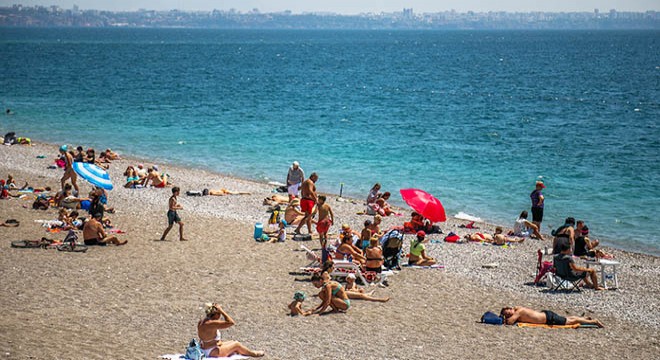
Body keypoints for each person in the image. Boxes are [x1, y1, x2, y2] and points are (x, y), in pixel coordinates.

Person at [198, 303, 264, 358]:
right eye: (219, 314)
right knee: (236, 345)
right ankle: (253, 354)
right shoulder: (212, 323)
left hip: (204, 349)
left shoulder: (202, 321)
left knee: (232, 342)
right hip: (211, 352)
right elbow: (231, 322)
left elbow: (206, 339)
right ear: (216, 314)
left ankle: (248, 352)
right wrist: (222, 311)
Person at [500, 306, 604, 327]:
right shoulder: (518, 309)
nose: (509, 314)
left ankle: (594, 322)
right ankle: (585, 319)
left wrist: (505, 319)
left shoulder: (519, 311)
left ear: (510, 308)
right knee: (568, 319)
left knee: (570, 321)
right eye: (507, 314)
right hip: (546, 315)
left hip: (548, 318)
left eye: (508, 312)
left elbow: (509, 322)